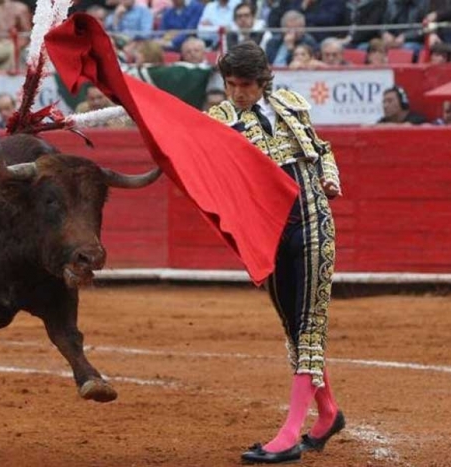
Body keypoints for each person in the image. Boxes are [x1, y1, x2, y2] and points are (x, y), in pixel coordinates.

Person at [208, 41, 344, 464]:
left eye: (245, 84)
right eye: (230, 84)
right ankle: (328, 413)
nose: (237, 93)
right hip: (270, 234)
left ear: (263, 80)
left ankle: (289, 434)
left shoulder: (291, 103)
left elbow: (321, 149)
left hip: (313, 222)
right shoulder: (219, 120)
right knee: (293, 329)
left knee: (309, 327)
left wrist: (331, 177)